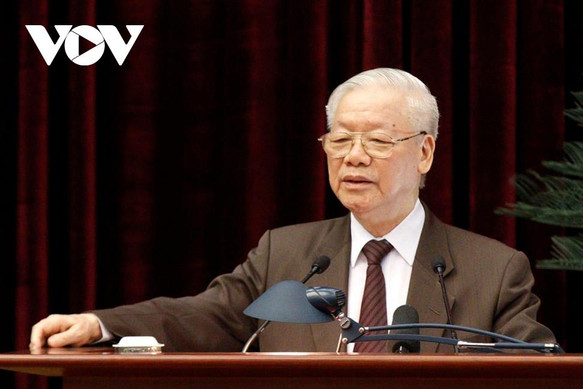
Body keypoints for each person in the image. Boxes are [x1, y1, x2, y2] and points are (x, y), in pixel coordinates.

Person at [29, 68, 556, 352]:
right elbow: (203, 315)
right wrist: (100, 324)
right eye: (340, 140)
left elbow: (538, 377)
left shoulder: (494, 271)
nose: (353, 157)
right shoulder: (288, 254)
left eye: (376, 141)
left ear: (424, 152)